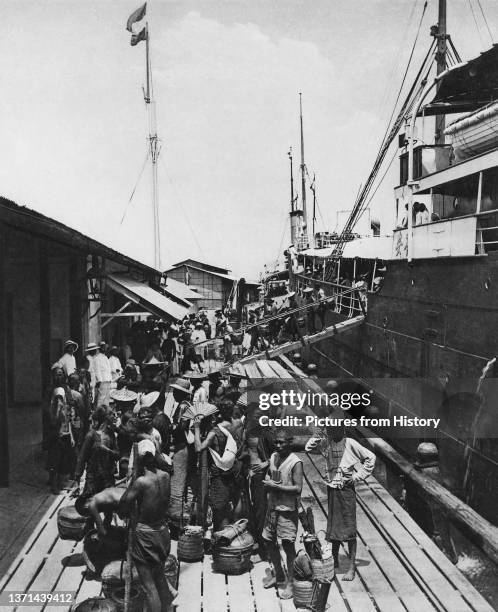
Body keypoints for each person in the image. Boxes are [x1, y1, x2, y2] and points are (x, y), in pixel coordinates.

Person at [305, 425, 375, 580]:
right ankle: (335, 560)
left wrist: (357, 477)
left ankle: (351, 567)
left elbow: (370, 457)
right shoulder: (326, 443)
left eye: (335, 427)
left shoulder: (350, 443)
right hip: (332, 489)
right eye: (329, 428)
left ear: (342, 428)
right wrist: (319, 433)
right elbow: (308, 447)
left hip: (346, 490)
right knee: (334, 525)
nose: (332, 430)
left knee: (349, 528)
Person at [120, 439, 176, 611]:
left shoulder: (141, 482)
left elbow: (122, 507)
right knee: (159, 576)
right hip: (162, 531)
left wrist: (132, 481)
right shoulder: (165, 476)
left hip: (145, 535)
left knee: (149, 586)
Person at [261, 433, 303, 599]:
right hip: (272, 507)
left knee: (287, 545)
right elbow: (272, 475)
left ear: (289, 443)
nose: (277, 446)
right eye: (276, 442)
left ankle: (291, 584)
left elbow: (298, 488)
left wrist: (275, 486)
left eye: (281, 443)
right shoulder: (273, 457)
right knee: (268, 540)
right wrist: (268, 479)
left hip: (287, 509)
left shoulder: (295, 462)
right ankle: (279, 575)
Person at [74, 407, 119, 499]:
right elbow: (82, 458)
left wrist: (107, 450)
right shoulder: (91, 435)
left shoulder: (111, 434)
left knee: (108, 508)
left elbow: (117, 454)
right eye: (111, 414)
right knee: (91, 508)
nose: (114, 416)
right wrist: (77, 481)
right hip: (93, 480)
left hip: (108, 478)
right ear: (105, 417)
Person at [92, 344, 112, 408]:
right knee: (101, 397)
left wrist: (110, 379)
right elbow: (97, 370)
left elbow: (108, 369)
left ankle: (106, 411)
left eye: (107, 348)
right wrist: (99, 380)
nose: (106, 349)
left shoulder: (105, 357)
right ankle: (99, 412)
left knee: (107, 397)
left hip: (108, 379)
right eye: (105, 348)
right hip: (102, 380)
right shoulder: (97, 358)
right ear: (101, 349)